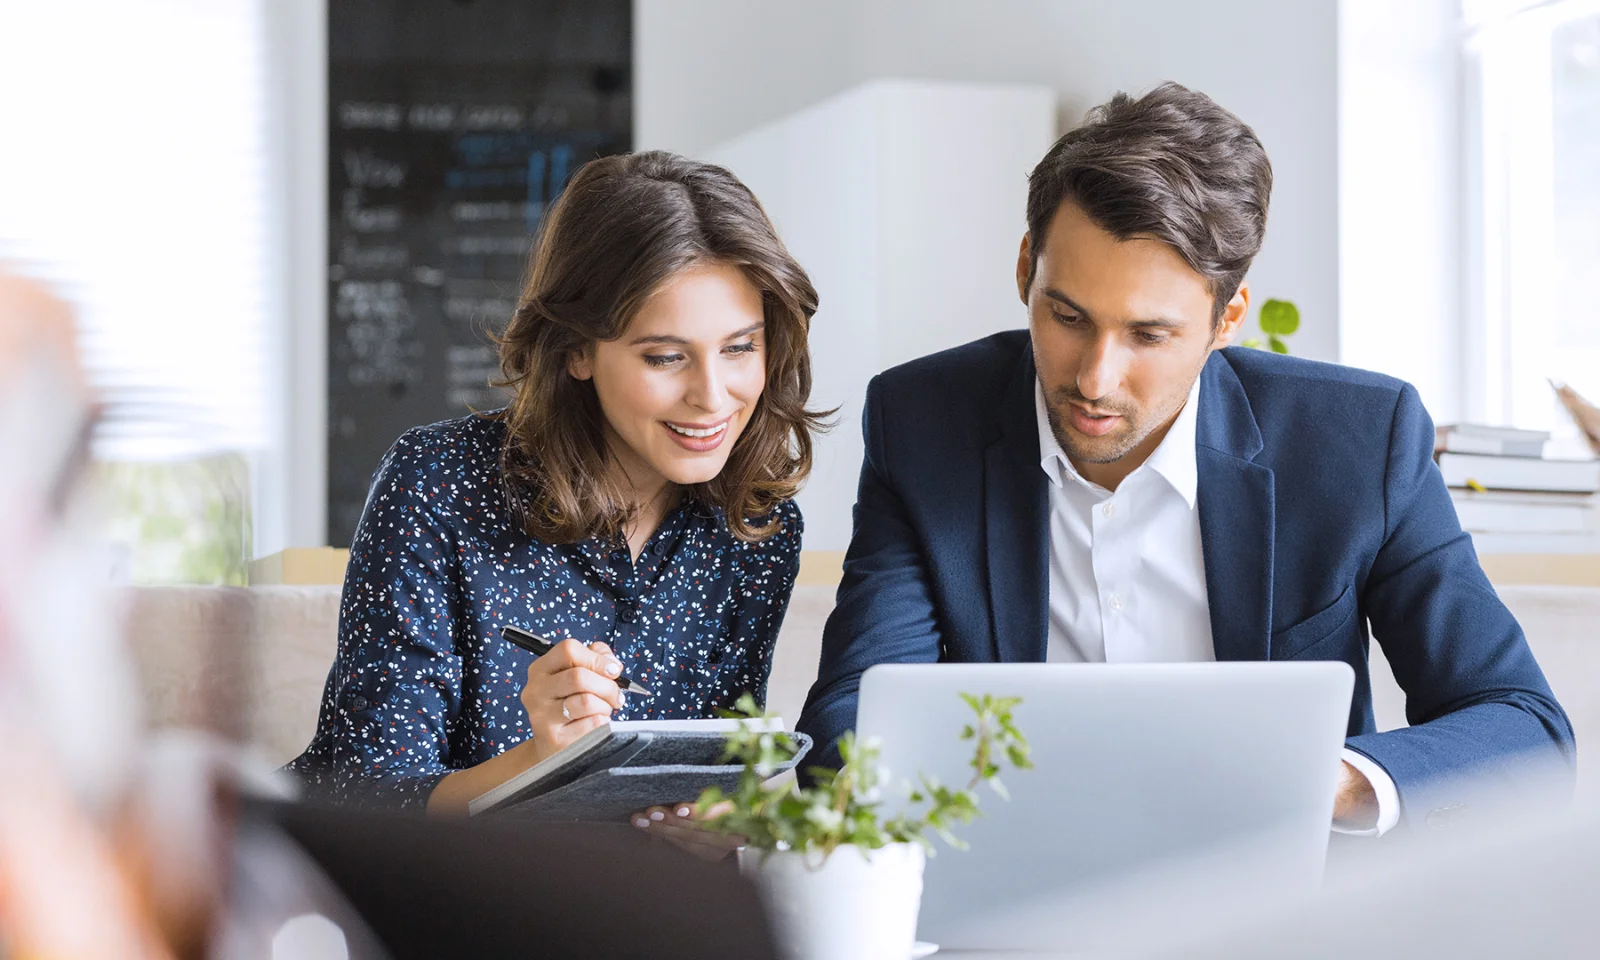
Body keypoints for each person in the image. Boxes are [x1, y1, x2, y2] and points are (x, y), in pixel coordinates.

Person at [796, 83, 1573, 835]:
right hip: (1012, 885)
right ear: (1027, 265)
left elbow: (1523, 727)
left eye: (1149, 335)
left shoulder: (1360, 441)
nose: (1095, 379)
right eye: (1067, 316)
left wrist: (1324, 783)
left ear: (1227, 318)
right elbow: (850, 720)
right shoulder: (923, 421)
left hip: (1281, 893)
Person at [291, 151, 826, 823]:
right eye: (666, 357)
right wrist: (542, 760)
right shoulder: (436, 485)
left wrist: (716, 832)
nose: (713, 397)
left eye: (740, 347)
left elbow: (714, 781)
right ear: (576, 350)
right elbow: (363, 802)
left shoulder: (757, 529)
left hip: (613, 890)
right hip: (418, 880)